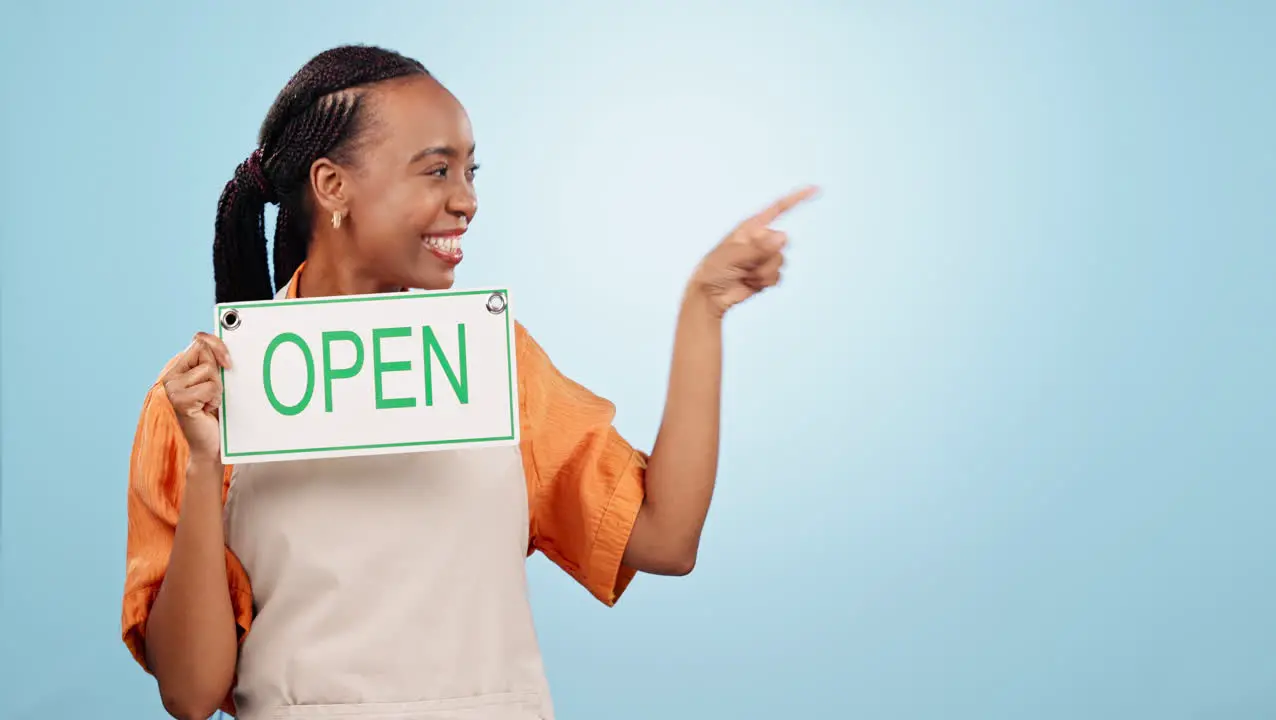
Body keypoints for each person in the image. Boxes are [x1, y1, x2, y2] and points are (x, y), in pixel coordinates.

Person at [120, 44, 816, 720]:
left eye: (471, 172)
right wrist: (207, 462)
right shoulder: (204, 397)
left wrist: (704, 309)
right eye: (437, 171)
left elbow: (665, 539)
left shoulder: (494, 362)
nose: (468, 201)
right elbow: (189, 693)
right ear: (334, 186)